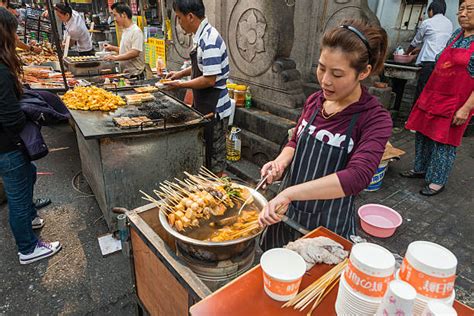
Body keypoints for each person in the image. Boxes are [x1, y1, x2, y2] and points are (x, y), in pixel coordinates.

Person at [258, 19, 392, 249]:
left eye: (337, 74)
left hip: (326, 225)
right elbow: (296, 139)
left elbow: (357, 177)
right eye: (321, 68)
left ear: (364, 72)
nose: (325, 81)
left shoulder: (375, 119)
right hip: (286, 214)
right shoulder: (315, 101)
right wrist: (280, 163)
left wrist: (290, 193)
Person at [0, 7, 61, 264]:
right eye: (13, 33)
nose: (16, 38)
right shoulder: (1, 72)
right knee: (17, 195)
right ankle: (28, 248)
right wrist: (32, 114)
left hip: (8, 145)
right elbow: (11, 118)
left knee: (29, 174)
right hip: (8, 145)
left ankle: (30, 216)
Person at [402, 0, 474, 196]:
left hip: (455, 102)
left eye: (470, 9)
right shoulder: (455, 35)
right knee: (423, 133)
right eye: (461, 10)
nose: (463, 14)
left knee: (444, 141)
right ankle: (421, 169)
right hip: (434, 94)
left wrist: (466, 108)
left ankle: (437, 181)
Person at [165, 0, 232, 176]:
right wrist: (178, 74)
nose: (179, 23)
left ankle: (219, 193)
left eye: (179, 18)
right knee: (206, 153)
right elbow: (201, 67)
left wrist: (180, 85)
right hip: (205, 104)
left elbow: (209, 79)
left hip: (214, 106)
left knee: (215, 159)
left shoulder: (209, 40)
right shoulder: (201, 36)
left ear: (191, 16)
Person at [406, 0, 452, 105]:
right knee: (434, 90)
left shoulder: (428, 22)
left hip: (429, 61)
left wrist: (406, 53)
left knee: (422, 90)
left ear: (431, 10)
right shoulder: (449, 23)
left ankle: (415, 116)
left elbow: (415, 42)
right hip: (442, 61)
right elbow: (436, 41)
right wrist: (420, 49)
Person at [104, 3, 145, 79]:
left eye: (115, 15)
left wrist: (115, 58)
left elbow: (134, 52)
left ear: (123, 15)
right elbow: (126, 50)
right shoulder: (125, 30)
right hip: (126, 74)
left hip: (135, 76)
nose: (114, 19)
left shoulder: (136, 31)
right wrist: (113, 48)